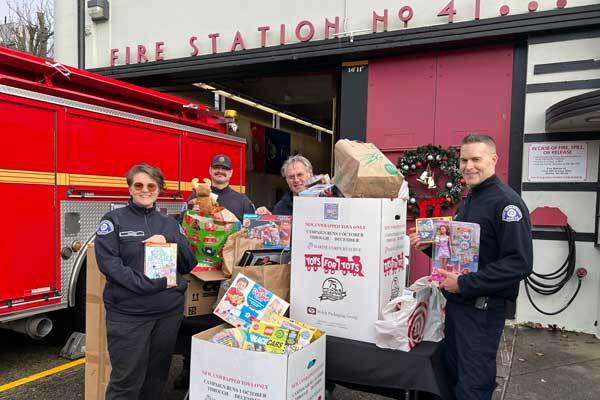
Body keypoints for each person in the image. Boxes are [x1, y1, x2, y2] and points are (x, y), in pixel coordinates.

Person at [409, 134, 533, 400]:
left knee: (473, 385)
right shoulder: (470, 200)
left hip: (482, 312)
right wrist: (430, 248)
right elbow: (463, 257)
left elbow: (519, 263)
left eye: (476, 159)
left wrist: (464, 284)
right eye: (464, 160)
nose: (468, 166)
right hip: (458, 307)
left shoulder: (506, 204)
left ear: (493, 159)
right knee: (452, 375)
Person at [95, 163, 197, 400]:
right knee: (126, 382)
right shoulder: (113, 220)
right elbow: (110, 266)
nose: (145, 190)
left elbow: (188, 263)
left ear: (158, 189)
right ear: (129, 188)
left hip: (167, 314)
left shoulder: (170, 223)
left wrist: (170, 240)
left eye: (151, 185)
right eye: (138, 185)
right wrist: (152, 284)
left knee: (156, 378)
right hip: (129, 315)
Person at [186, 153, 255, 220]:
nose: (220, 171)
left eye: (225, 168)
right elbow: (181, 221)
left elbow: (253, 223)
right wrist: (191, 214)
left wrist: (262, 214)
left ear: (231, 173)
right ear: (210, 170)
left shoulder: (243, 201)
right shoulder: (196, 196)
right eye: (216, 167)